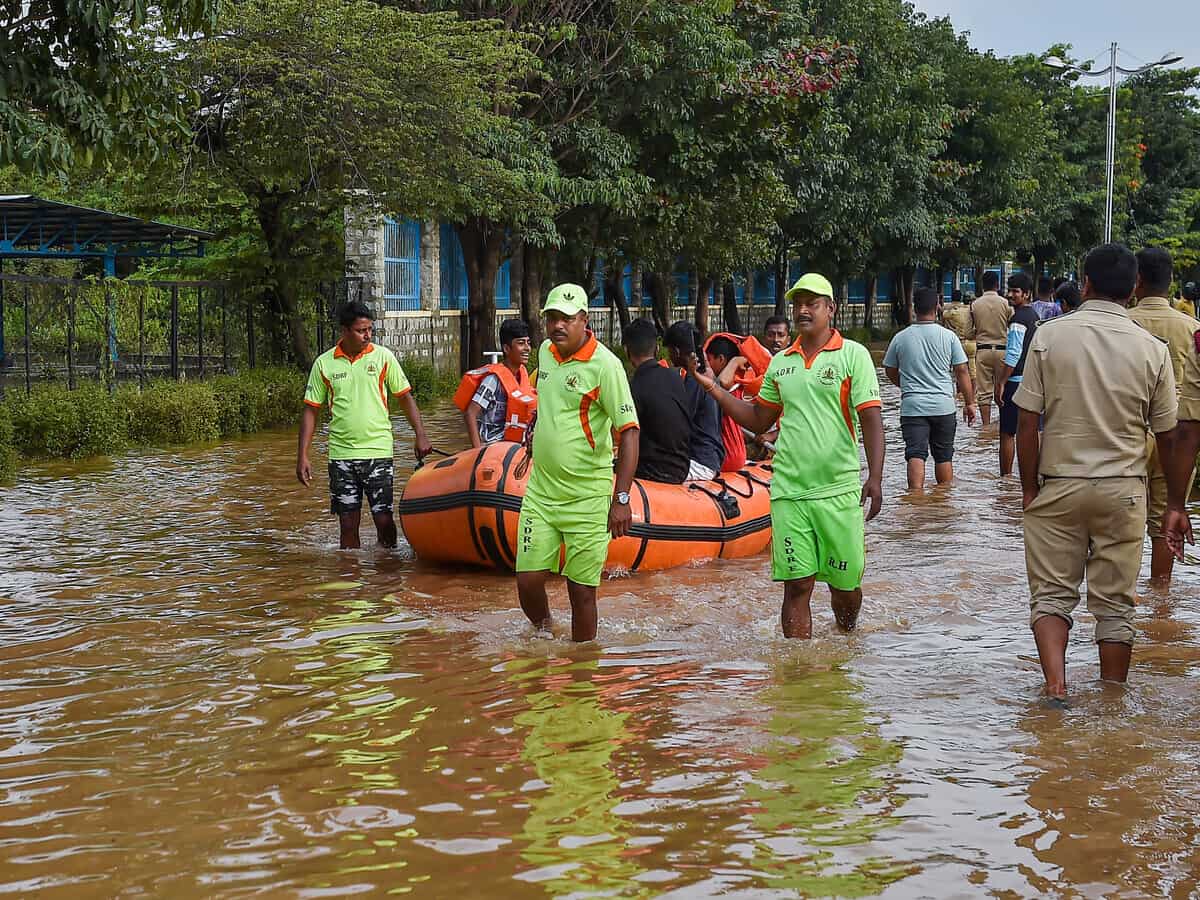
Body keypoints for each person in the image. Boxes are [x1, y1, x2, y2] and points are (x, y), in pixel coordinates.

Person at [1013, 243, 1177, 699]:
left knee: (1050, 595)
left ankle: (1056, 686)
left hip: (1058, 485)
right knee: (1116, 605)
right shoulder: (1152, 349)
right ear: (1134, 288)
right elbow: (1168, 436)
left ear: (1085, 284)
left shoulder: (1049, 336)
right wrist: (1177, 504)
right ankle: (1111, 701)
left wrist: (1028, 488)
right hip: (1124, 489)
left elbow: (1028, 421)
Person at [686, 273, 885, 639]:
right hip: (789, 492)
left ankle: (848, 638)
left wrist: (875, 477)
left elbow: (871, 418)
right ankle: (797, 674)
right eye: (798, 303)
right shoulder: (781, 363)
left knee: (844, 589)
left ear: (831, 309)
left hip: (838, 492)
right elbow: (759, 418)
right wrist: (713, 387)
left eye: (812, 303)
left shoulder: (853, 356)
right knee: (797, 586)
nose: (803, 310)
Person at [515, 283, 640, 643]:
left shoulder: (606, 366)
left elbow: (629, 432)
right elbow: (549, 402)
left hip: (588, 496)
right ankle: (544, 634)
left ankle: (582, 671)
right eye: (552, 318)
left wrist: (621, 498)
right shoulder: (545, 353)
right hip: (541, 492)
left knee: (581, 591)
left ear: (584, 320)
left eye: (567, 319)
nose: (558, 326)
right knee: (527, 578)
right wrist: (535, 430)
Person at [298, 300, 433, 550]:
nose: (367, 335)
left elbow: (404, 397)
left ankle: (388, 575)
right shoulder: (324, 364)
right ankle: (351, 582)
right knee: (348, 525)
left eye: (370, 329)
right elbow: (311, 411)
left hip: (379, 452)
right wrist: (302, 456)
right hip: (341, 456)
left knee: (384, 520)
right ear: (345, 331)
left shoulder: (383, 357)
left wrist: (420, 434)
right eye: (362, 330)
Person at [1129, 247, 1199, 585]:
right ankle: (1161, 603)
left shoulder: (1121, 322)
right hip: (1178, 437)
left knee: (1121, 525)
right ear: (1170, 282)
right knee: (1166, 521)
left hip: (1128, 431)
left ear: (1136, 280)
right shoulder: (1192, 327)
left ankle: (1121, 602)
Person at [883, 287, 977, 488]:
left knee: (915, 453)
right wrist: (970, 403)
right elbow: (962, 371)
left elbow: (889, 369)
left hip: (913, 407)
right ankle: (943, 501)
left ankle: (915, 499)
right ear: (937, 307)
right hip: (943, 407)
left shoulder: (901, 337)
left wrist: (905, 385)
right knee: (943, 456)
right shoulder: (949, 337)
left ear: (915, 308)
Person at [623, 318, 691, 484]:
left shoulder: (633, 387)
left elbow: (628, 435)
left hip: (653, 470)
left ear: (626, 350)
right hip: (682, 467)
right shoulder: (677, 378)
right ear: (657, 348)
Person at [454, 318, 536, 448]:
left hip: (516, 447)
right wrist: (477, 451)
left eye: (528, 343)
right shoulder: (493, 380)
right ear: (507, 348)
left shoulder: (523, 374)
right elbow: (470, 413)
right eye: (521, 343)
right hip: (493, 447)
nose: (527, 348)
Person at [663, 321, 725, 481]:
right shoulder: (705, 373)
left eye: (670, 352)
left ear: (676, 351)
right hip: (708, 457)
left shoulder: (696, 379)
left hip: (700, 461)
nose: (669, 357)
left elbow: (679, 422)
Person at [994, 272, 1039, 476]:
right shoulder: (1034, 316)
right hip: (1032, 381)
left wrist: (1001, 383)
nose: (1011, 295)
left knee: (1007, 434)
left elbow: (1013, 354)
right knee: (1031, 432)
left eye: (1016, 291)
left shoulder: (1018, 319)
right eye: (1009, 290)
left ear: (1027, 294)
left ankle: (1005, 478)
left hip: (1015, 382)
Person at [703, 335, 749, 472]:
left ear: (721, 359)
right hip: (736, 453)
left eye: (709, 360)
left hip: (727, 456)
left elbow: (721, 384)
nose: (706, 365)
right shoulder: (740, 380)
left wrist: (734, 361)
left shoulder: (730, 383)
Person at [971, 271, 1011, 426]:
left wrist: (980, 330)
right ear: (998, 285)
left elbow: (968, 331)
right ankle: (1003, 424)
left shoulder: (975, 304)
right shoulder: (1006, 303)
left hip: (983, 351)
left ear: (982, 285)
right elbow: (1011, 325)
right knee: (1002, 388)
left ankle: (986, 427)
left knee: (984, 393)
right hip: (1003, 350)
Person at [941, 288, 976, 390]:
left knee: (959, 370)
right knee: (973, 371)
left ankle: (959, 392)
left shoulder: (954, 312)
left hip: (958, 344)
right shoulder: (974, 312)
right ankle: (973, 394)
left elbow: (943, 314)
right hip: (972, 344)